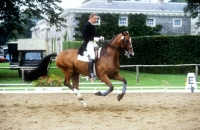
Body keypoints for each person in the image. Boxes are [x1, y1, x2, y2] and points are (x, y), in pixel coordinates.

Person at [78, 13, 104, 79]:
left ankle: (98, 71)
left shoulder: (93, 25)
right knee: (92, 56)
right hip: (88, 43)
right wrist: (93, 38)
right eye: (95, 18)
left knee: (100, 54)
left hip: (94, 43)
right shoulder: (86, 25)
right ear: (91, 18)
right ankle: (90, 73)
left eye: (97, 18)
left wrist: (99, 36)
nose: (96, 20)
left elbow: (95, 34)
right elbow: (85, 36)